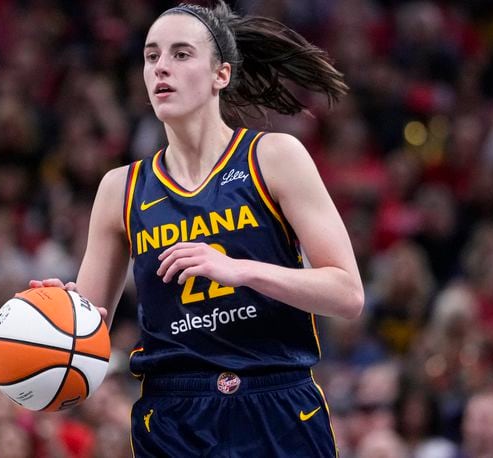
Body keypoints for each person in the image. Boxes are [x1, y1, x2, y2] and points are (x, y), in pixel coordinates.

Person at [31, 2, 364, 456]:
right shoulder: (120, 188)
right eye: (151, 56)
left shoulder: (274, 157)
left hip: (277, 401)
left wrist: (240, 270)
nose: (161, 68)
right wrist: (59, 320)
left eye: (181, 54)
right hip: (173, 414)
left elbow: (347, 294)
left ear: (220, 75)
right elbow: (90, 337)